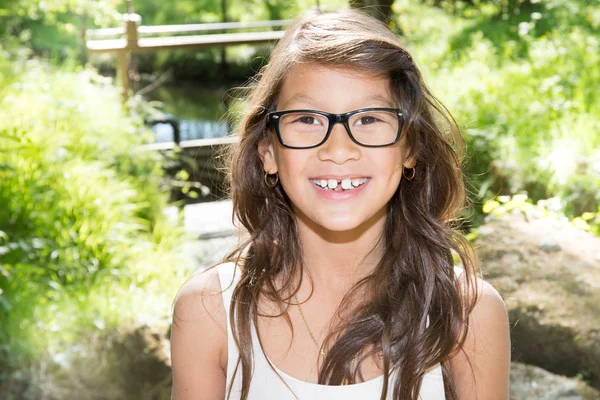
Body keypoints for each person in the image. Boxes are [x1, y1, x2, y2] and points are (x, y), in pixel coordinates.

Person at [170, 8, 510, 400]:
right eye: (307, 119)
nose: (338, 149)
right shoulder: (209, 312)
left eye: (368, 119)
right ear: (268, 152)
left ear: (410, 148)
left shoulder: (466, 315)